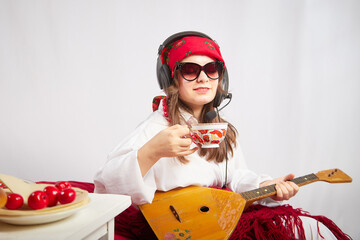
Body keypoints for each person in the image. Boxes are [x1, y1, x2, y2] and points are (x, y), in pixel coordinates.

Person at [94, 31, 351, 239]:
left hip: (211, 216)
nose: (203, 77)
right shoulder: (156, 127)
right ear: (170, 78)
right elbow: (107, 184)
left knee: (308, 227)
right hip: (173, 224)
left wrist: (266, 187)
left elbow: (235, 177)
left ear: (221, 77)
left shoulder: (220, 128)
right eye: (190, 70)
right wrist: (151, 152)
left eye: (212, 68)